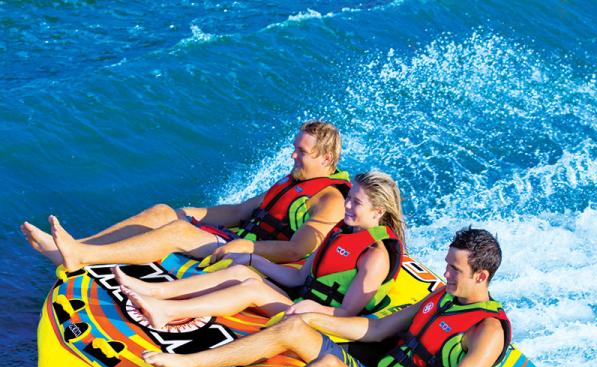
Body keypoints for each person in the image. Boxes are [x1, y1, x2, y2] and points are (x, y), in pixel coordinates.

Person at [140, 227, 512, 367]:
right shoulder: (442, 296)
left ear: (481, 276)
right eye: (446, 265)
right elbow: (377, 329)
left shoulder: (486, 332)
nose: (445, 274)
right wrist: (316, 320)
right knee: (294, 327)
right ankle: (187, 364)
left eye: (454, 270)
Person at [20, 120, 350, 270]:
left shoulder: (330, 199)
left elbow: (298, 249)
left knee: (178, 232)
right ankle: (76, 248)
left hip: (260, 258)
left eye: (301, 152)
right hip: (240, 240)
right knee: (165, 212)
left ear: (326, 158)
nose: (292, 156)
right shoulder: (293, 180)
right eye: (294, 148)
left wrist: (247, 248)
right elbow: (240, 212)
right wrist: (191, 213)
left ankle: (82, 257)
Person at [115, 170, 405, 329]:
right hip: (302, 300)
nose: (347, 205)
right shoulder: (341, 231)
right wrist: (253, 259)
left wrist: (314, 308)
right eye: (349, 197)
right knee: (243, 271)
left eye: (356, 202)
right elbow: (297, 278)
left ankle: (167, 310)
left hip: (325, 320)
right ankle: (154, 291)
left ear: (378, 212)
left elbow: (346, 313)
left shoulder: (375, 254)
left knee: (252, 289)